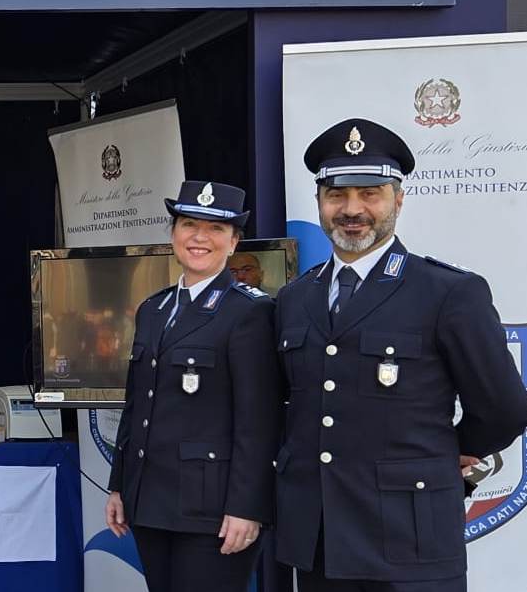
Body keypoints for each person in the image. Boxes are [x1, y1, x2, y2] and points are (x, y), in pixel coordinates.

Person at [274, 118, 527, 592]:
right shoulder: (294, 298)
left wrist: (447, 452)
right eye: (337, 195)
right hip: (319, 537)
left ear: (399, 198)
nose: (352, 209)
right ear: (319, 202)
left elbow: (505, 408)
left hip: (411, 538)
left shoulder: (448, 292)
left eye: (370, 193)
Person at [106, 180, 277, 592]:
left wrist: (247, 507)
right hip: (150, 501)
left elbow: (260, 422)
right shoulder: (153, 309)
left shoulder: (250, 312)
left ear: (234, 243)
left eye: (216, 229)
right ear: (173, 235)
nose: (199, 237)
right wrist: (119, 484)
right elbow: (137, 406)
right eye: (188, 224)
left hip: (213, 509)